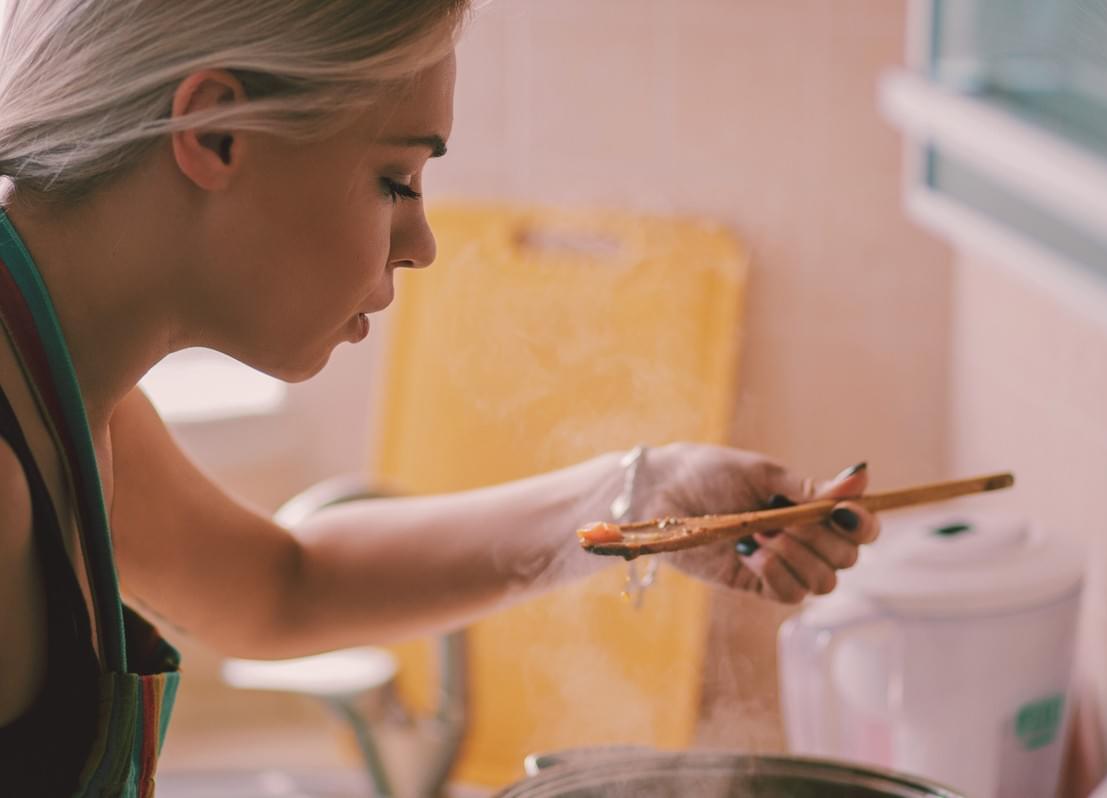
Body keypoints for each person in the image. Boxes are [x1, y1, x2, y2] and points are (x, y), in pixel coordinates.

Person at [0, 1, 880, 794]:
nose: (420, 244)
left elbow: (279, 586)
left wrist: (640, 497)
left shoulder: (68, 384)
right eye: (397, 180)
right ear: (215, 133)